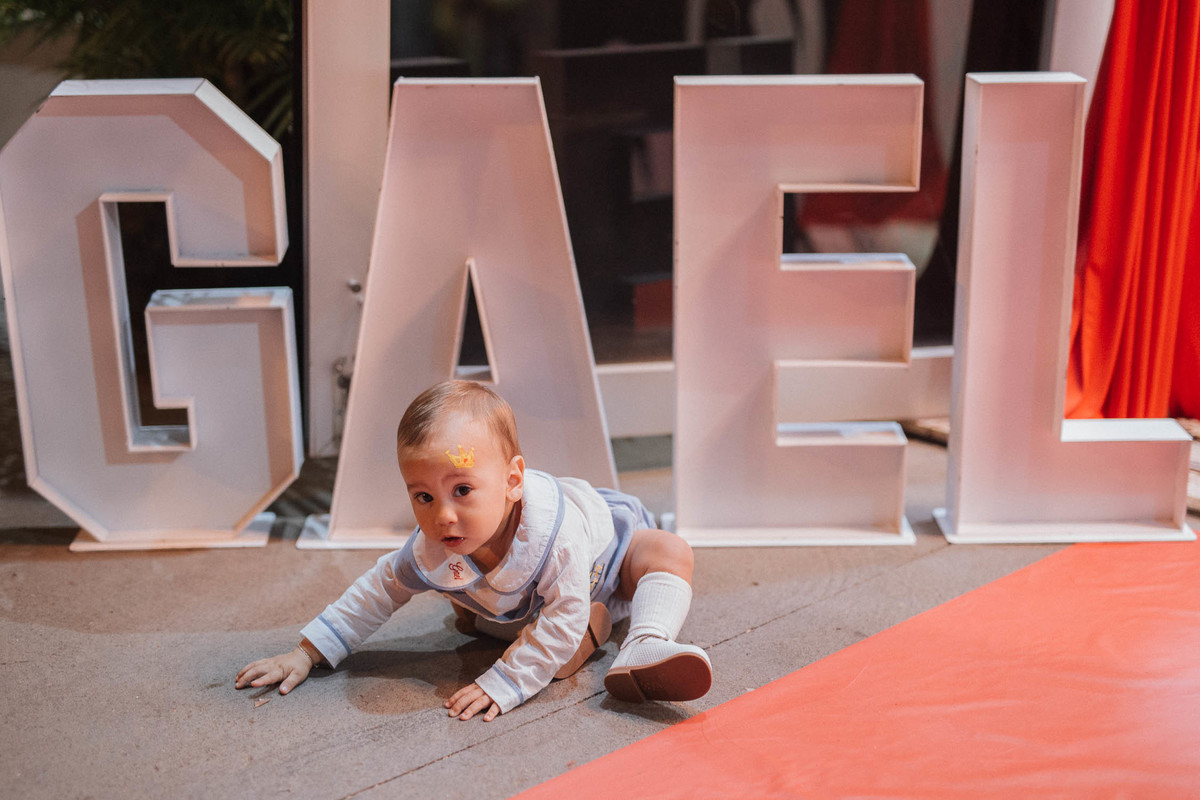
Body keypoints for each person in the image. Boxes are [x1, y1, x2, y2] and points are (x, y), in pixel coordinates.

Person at [236, 380, 711, 721]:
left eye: (462, 490)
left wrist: (503, 683)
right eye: (423, 496)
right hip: (534, 603)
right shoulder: (433, 549)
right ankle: (546, 623)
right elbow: (377, 591)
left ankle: (645, 641)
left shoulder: (556, 537)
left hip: (607, 559)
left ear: (511, 482)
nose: (442, 515)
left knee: (670, 551)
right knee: (556, 651)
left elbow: (559, 618)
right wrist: (307, 652)